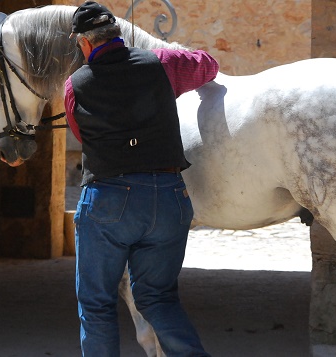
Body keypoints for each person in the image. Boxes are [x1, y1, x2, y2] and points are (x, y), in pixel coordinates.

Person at [63, 2, 219, 356]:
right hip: (168, 200)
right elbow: (209, 66)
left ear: (84, 44)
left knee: (97, 304)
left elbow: (84, 134)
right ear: (117, 34)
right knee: (159, 298)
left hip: (108, 202)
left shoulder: (75, 87)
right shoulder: (162, 64)